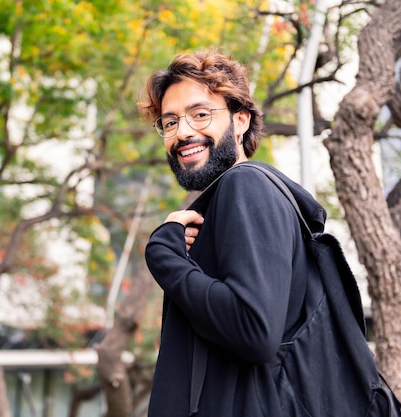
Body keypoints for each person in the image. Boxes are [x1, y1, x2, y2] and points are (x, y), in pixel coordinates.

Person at [139, 49, 327, 416]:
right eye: (170, 122)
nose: (183, 132)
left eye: (200, 115)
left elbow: (253, 330)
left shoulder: (247, 185)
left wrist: (164, 255)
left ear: (241, 120)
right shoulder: (222, 203)